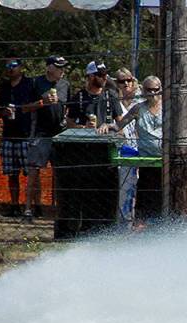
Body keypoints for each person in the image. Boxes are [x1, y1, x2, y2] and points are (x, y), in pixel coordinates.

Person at [111, 76, 164, 226]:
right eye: (149, 90)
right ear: (143, 90)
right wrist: (106, 126)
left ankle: (162, 227)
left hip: (165, 161)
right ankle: (142, 226)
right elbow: (119, 126)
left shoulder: (168, 108)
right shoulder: (138, 108)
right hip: (146, 159)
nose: (153, 93)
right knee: (146, 194)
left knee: (164, 195)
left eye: (156, 90)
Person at [22, 55, 69, 219]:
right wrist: (42, 102)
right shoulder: (35, 83)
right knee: (34, 171)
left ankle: (62, 210)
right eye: (58, 67)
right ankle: (29, 209)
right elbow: (24, 108)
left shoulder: (65, 84)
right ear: (49, 67)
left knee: (61, 173)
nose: (62, 70)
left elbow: (68, 108)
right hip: (40, 134)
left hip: (60, 135)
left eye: (63, 67)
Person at [0, 58, 35, 214]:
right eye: (8, 66)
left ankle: (32, 206)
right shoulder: (3, 87)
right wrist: (3, 111)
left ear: (21, 67)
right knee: (11, 174)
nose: (10, 69)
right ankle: (14, 205)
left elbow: (38, 104)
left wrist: (25, 109)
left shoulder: (29, 84)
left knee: (31, 173)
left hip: (26, 135)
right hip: (8, 134)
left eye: (13, 66)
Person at [114, 67, 142, 225]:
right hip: (121, 149)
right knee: (123, 187)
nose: (126, 83)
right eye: (121, 81)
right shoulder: (113, 102)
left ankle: (134, 221)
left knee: (136, 186)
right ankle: (122, 222)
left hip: (138, 148)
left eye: (129, 80)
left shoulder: (140, 101)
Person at [66, 60, 123, 131]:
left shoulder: (111, 95)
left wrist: (108, 126)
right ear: (91, 76)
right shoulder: (79, 97)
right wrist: (84, 128)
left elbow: (121, 123)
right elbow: (69, 123)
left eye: (105, 74)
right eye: (101, 75)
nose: (105, 78)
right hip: (85, 139)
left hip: (107, 139)